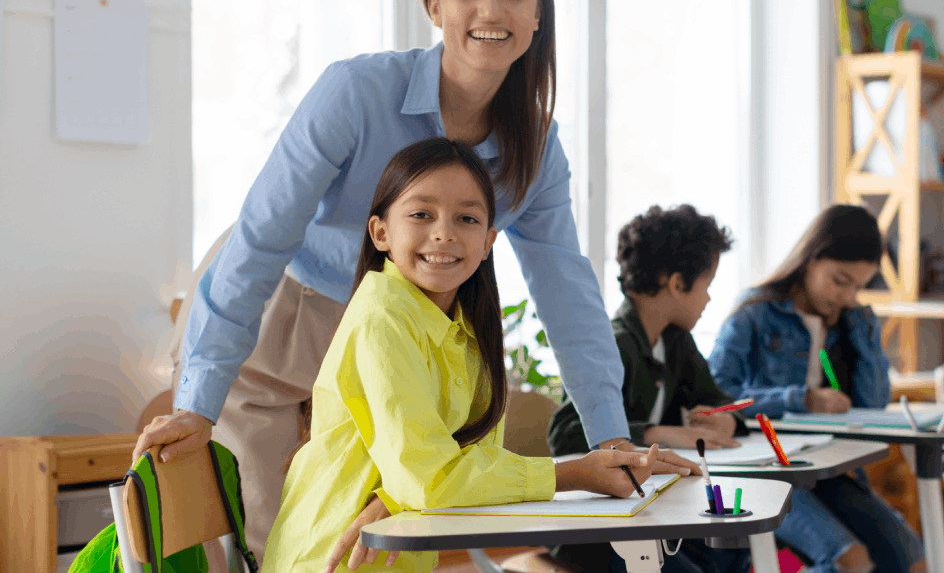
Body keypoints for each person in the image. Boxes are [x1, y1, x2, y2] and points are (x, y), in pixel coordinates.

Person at [135, 0, 693, 561]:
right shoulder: (356, 91)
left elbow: (569, 296)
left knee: (383, 546)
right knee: (285, 545)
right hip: (278, 323)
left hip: (399, 350)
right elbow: (259, 242)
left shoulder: (535, 147)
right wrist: (198, 405)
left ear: (539, 16)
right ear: (433, 4)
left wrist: (611, 437)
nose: (491, 8)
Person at [262, 138, 659, 573]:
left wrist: (399, 495)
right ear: (380, 233)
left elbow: (463, 462)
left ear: (488, 240)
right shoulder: (382, 319)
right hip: (329, 562)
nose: (444, 232)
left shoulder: (468, 329)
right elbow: (434, 481)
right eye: (421, 214)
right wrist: (571, 475)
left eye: (466, 218)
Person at [708, 204, 926, 573]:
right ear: (810, 259)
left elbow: (873, 404)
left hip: (828, 470)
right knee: (849, 561)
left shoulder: (849, 320)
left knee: (912, 559)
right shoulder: (754, 312)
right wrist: (802, 400)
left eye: (858, 287)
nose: (846, 296)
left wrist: (862, 328)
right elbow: (716, 401)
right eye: (840, 281)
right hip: (764, 471)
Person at [547, 204, 750, 573]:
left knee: (733, 548)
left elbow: (715, 399)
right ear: (676, 283)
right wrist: (655, 433)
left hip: (654, 513)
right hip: (600, 527)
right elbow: (565, 435)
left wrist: (720, 419)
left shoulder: (676, 343)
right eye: (707, 286)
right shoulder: (611, 344)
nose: (708, 299)